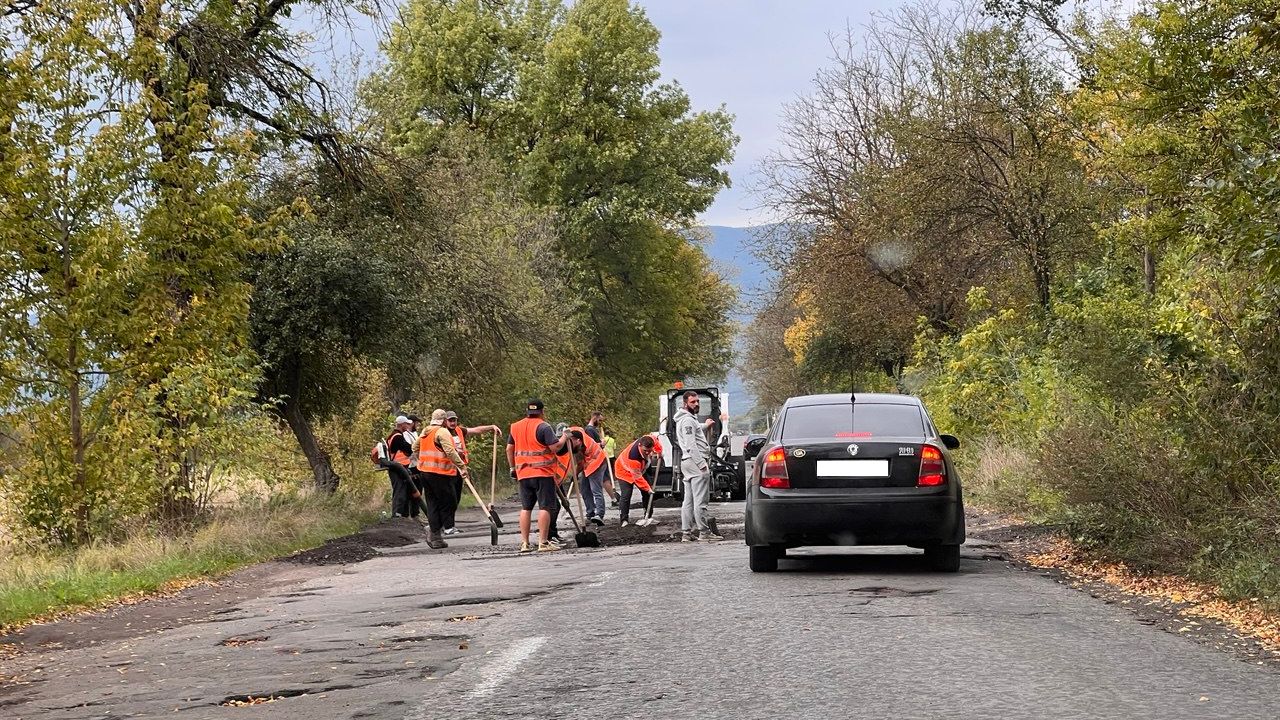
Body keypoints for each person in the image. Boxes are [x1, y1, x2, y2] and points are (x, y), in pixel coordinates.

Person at [507, 398, 572, 553]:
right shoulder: (543, 427)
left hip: (523, 473)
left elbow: (509, 449)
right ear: (542, 411)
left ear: (527, 412)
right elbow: (555, 447)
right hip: (543, 473)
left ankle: (525, 543)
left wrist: (512, 468)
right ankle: (543, 542)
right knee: (545, 507)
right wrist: (565, 437)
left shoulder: (515, 427)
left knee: (526, 508)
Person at [412, 409, 470, 549]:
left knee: (433, 504)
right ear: (444, 420)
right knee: (450, 502)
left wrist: (422, 461)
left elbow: (414, 447)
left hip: (425, 472)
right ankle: (434, 530)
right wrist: (462, 466)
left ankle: (436, 537)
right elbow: (450, 451)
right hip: (440, 473)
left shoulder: (426, 431)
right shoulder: (442, 432)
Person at [442, 411, 501, 536]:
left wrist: (491, 427)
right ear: (445, 421)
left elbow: (476, 430)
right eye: (450, 420)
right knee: (449, 498)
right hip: (446, 469)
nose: (453, 423)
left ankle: (449, 525)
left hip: (459, 468)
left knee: (456, 498)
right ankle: (447, 526)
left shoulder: (459, 430)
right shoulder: (441, 433)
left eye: (454, 420)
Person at [674, 390, 722, 542]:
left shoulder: (686, 419)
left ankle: (686, 533)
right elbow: (690, 444)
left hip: (686, 462)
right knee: (700, 500)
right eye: (692, 402)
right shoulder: (688, 420)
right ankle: (704, 532)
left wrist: (705, 425)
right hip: (695, 461)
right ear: (685, 403)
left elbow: (694, 430)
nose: (696, 404)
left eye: (697, 402)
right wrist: (702, 464)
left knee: (688, 501)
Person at [562, 427, 609, 525]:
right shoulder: (577, 435)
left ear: (578, 441)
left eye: (571, 441)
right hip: (588, 464)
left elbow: (579, 465)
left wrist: (574, 475)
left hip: (598, 462)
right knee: (584, 489)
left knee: (595, 489)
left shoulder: (580, 448)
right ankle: (590, 513)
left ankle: (599, 515)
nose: (569, 444)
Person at [614, 434, 660, 527]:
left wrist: (659, 452)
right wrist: (648, 488)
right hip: (624, 471)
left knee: (647, 493)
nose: (647, 453)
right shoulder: (633, 456)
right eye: (645, 451)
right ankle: (624, 520)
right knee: (626, 494)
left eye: (649, 450)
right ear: (639, 445)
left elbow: (658, 445)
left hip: (641, 469)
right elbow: (637, 477)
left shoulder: (651, 440)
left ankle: (648, 517)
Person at [383, 416, 416, 517]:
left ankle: (401, 514)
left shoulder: (394, 435)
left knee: (401, 491)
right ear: (401, 425)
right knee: (399, 492)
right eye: (406, 424)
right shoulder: (397, 436)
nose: (408, 425)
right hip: (397, 468)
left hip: (399, 468)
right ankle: (397, 515)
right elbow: (408, 449)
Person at [602, 430, 620, 506]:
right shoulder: (612, 440)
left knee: (607, 472)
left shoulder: (603, 440)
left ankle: (610, 480)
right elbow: (614, 447)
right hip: (611, 456)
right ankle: (612, 478)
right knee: (612, 470)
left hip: (605, 456)